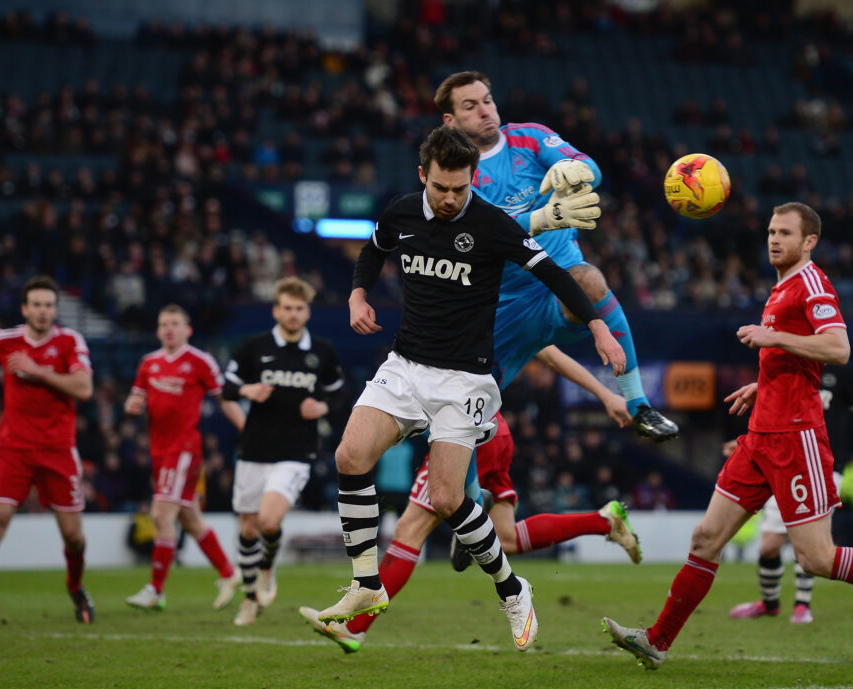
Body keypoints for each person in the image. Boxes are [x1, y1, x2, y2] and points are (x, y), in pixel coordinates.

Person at [311, 125, 625, 652]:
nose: (452, 198)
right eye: (441, 188)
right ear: (423, 176)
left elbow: (554, 274)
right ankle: (367, 586)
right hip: (406, 365)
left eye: (460, 188)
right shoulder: (402, 212)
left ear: (472, 179)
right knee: (349, 455)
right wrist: (357, 296)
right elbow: (372, 249)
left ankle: (511, 588)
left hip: (465, 379)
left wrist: (597, 327)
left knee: (447, 497)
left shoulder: (491, 223)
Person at [603, 202, 853, 670]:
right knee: (706, 537)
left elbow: (838, 348)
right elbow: (797, 360)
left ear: (809, 241)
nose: (773, 239)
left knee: (816, 558)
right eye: (771, 231)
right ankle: (658, 641)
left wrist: (773, 340)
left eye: (785, 232)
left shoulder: (812, 283)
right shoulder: (780, 287)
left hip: (796, 438)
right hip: (759, 436)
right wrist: (762, 383)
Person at [299, 344, 641, 653]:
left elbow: (550, 351)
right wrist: (604, 393)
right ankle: (603, 521)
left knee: (410, 530)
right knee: (505, 537)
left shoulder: (484, 299)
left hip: (468, 431)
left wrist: (605, 392)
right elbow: (549, 351)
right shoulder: (495, 299)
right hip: (493, 428)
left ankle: (354, 629)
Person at [435, 70, 678, 443]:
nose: (484, 110)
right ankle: (464, 497)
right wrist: (541, 218)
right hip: (501, 308)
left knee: (590, 278)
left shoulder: (529, 138)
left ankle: (639, 405)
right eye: (471, 106)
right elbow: (473, 237)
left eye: (487, 100)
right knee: (459, 427)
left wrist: (575, 170)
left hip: (557, 284)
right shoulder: (452, 172)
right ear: (450, 121)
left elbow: (591, 170)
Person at [0, 276, 96, 629]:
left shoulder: (70, 341)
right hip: (13, 450)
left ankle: (75, 587)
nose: (43, 311)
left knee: (73, 537)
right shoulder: (4, 341)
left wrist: (38, 371)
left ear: (55, 310)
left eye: (49, 305)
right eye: (37, 305)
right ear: (24, 308)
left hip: (58, 450)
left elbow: (84, 387)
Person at [728, 363, 853, 624]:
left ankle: (802, 605)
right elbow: (771, 414)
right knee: (769, 545)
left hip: (824, 467)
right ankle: (769, 604)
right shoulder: (789, 365)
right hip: (784, 464)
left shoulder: (842, 373)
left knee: (808, 546)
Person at [221, 277, 345, 626]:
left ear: (307, 312)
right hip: (254, 449)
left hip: (296, 451)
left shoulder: (321, 351)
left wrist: (321, 407)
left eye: (299, 308)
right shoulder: (254, 347)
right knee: (247, 530)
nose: (293, 314)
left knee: (268, 520)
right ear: (276, 310)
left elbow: (339, 395)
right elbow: (226, 387)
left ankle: (266, 569)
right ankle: (250, 597)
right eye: (287, 308)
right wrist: (247, 389)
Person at [122, 304, 246, 612]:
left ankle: (155, 590)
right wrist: (132, 405)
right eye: (164, 324)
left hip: (184, 449)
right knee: (189, 518)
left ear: (187, 330)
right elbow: (135, 397)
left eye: (175, 323)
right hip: (158, 451)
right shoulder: (148, 363)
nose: (169, 329)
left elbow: (224, 399)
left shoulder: (199, 361)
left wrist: (246, 427)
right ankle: (229, 574)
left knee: (161, 516)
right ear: (158, 329)